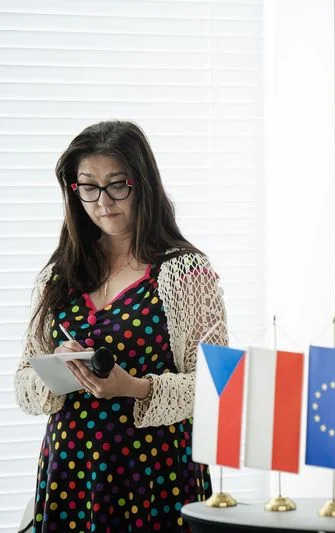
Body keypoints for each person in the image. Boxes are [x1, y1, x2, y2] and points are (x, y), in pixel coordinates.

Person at [14, 121, 228, 532]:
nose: (103, 202)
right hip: (72, 470)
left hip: (154, 471)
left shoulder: (184, 271)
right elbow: (24, 385)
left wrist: (132, 387)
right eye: (88, 187)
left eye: (117, 185)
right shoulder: (60, 274)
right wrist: (57, 372)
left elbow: (214, 385)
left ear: (142, 183)